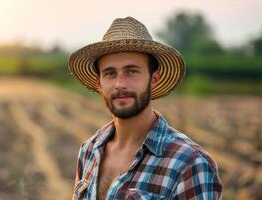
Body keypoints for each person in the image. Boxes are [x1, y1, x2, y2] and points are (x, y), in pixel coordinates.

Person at [68, 17, 223, 200]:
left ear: (154, 79)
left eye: (131, 71)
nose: (119, 84)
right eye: (110, 73)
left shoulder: (190, 163)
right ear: (99, 83)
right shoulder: (89, 151)